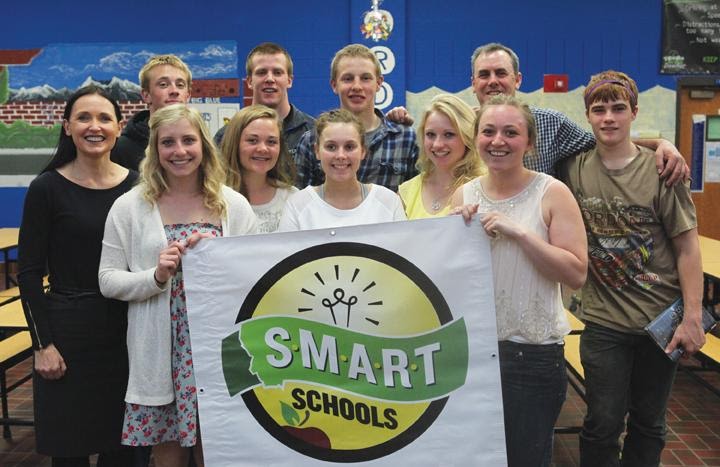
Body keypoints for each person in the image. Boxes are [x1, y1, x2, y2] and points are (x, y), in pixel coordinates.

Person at [557, 71, 705, 467]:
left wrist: (693, 317)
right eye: (598, 109)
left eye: (618, 108)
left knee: (649, 422)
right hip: (604, 323)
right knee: (602, 422)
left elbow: (688, 247)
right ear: (587, 116)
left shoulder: (663, 171)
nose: (609, 117)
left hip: (661, 323)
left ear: (634, 112)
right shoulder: (573, 169)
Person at [98, 105, 257, 467]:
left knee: (214, 449)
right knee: (168, 451)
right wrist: (155, 276)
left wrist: (220, 260)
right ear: (154, 150)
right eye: (167, 142)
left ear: (203, 145)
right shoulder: (130, 207)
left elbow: (254, 279)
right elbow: (107, 280)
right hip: (161, 348)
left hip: (219, 347)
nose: (179, 151)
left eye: (188, 140)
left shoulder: (233, 205)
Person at [452, 95, 588, 467]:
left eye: (511, 133)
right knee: (477, 457)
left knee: (526, 458)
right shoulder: (466, 194)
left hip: (533, 354)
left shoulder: (552, 192)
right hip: (475, 353)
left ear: (529, 142)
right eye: (489, 131)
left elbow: (576, 272)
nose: (498, 141)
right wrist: (453, 231)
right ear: (476, 138)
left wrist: (522, 234)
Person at [17, 85, 137, 466]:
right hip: (68, 335)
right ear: (67, 126)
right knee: (70, 452)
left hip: (127, 331)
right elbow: (30, 273)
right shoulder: (46, 188)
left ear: (119, 127)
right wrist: (42, 345)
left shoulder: (138, 186)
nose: (94, 126)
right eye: (83, 117)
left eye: (104, 118)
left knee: (124, 450)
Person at [469, 42, 688, 182]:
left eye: (500, 73)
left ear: (517, 80)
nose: (493, 81)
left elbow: (605, 142)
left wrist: (661, 144)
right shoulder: (457, 126)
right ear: (473, 82)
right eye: (484, 75)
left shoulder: (550, 124)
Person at [294, 44, 418, 192]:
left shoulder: (405, 138)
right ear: (334, 85)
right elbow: (300, 202)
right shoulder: (311, 140)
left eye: (365, 78)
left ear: (378, 83)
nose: (357, 86)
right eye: (348, 79)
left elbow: (417, 200)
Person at [279, 108, 406, 231]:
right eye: (331, 147)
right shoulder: (297, 205)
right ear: (317, 151)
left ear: (363, 151)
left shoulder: (389, 202)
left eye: (349, 147)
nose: (340, 155)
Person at [214, 42, 314, 159]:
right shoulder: (226, 136)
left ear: (289, 80)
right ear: (249, 81)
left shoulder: (313, 132)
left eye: (277, 72)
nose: (270, 79)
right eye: (262, 72)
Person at [398, 93, 485, 218]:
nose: (437, 144)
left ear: (467, 137)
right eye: (430, 135)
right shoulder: (406, 192)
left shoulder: (486, 187)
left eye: (449, 134)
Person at [222, 104, 298, 233]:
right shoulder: (213, 198)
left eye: (271, 142)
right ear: (235, 143)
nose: (263, 149)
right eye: (252, 140)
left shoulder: (293, 198)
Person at [111, 54, 192, 170]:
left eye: (180, 85)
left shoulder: (200, 144)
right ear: (146, 95)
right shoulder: (121, 149)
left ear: (188, 95)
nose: (174, 91)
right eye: (163, 84)